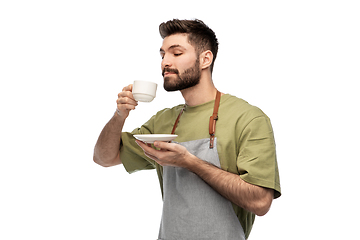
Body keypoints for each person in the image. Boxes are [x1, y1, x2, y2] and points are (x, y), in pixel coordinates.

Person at [93, 19, 281, 240]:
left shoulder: (248, 118)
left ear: (205, 59)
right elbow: (104, 158)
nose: (165, 62)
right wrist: (119, 115)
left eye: (176, 53)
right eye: (162, 54)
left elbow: (260, 202)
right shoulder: (163, 120)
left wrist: (189, 162)